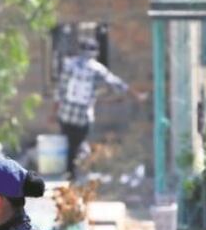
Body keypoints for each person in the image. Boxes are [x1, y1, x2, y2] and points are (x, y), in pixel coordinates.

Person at [54, 37, 143, 180]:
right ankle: (78, 169)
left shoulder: (68, 65)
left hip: (65, 115)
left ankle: (71, 171)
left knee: (71, 143)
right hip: (83, 117)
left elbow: (60, 90)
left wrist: (55, 110)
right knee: (79, 143)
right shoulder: (96, 69)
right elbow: (115, 83)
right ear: (94, 52)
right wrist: (134, 94)